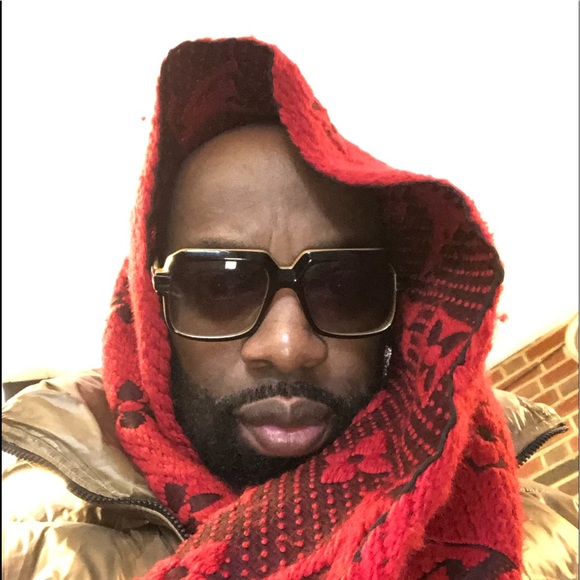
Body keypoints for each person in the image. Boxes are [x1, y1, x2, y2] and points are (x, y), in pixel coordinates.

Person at [2, 36, 577, 580]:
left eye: (344, 286)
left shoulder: (557, 539)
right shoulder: (31, 547)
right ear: (152, 315)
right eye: (221, 285)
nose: (287, 347)